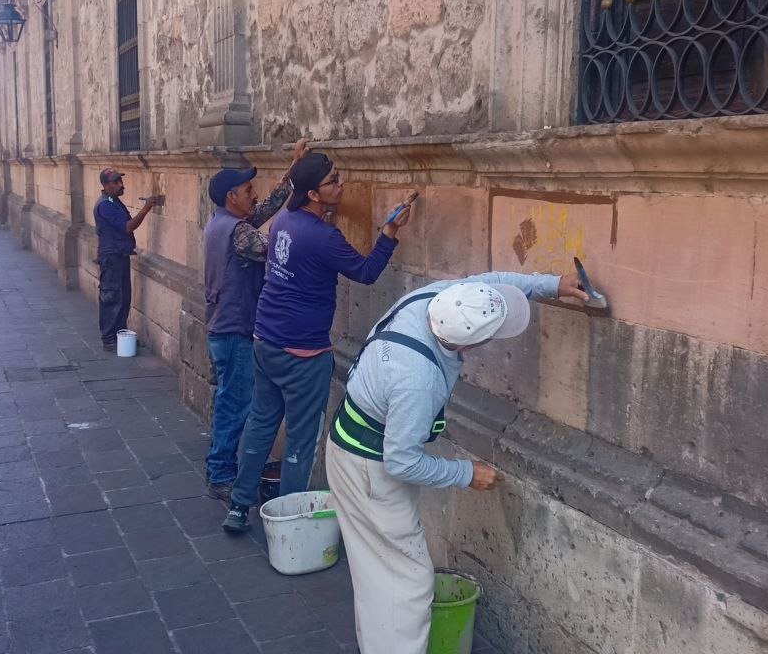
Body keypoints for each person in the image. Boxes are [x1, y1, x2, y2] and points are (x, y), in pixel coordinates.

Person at [326, 273, 589, 654]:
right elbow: (400, 462)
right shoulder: (418, 379)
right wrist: (465, 473)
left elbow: (492, 280)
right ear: (474, 344)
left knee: (377, 571)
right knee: (408, 582)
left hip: (351, 444)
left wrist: (552, 284)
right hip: (369, 470)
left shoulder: (439, 297)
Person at [221, 151, 411, 533]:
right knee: (301, 441)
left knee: (260, 425)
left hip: (266, 340)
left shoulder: (284, 222)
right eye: (333, 181)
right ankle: (290, 523)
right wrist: (389, 233)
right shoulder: (324, 237)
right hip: (303, 353)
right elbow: (366, 271)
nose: (341, 185)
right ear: (312, 194)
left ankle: (239, 507)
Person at [201, 140, 303, 502]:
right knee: (235, 405)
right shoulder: (239, 232)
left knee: (230, 400)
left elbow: (262, 210)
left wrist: (293, 170)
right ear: (232, 196)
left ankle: (220, 465)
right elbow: (274, 247)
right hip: (234, 329)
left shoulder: (222, 221)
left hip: (222, 326)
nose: (252, 194)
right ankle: (221, 475)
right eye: (247, 190)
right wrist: (305, 226)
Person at [94, 168, 157, 352]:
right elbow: (128, 227)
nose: (121, 185)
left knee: (123, 298)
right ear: (105, 185)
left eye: (120, 181)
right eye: (115, 182)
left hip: (119, 255)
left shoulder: (113, 200)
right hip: (111, 257)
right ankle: (109, 339)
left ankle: (120, 336)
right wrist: (146, 208)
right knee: (112, 298)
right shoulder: (105, 204)